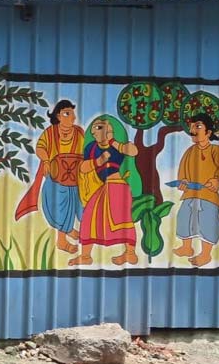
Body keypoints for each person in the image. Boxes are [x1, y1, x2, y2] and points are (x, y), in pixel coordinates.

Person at [15, 100, 84, 253]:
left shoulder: (79, 132)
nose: (72, 117)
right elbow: (40, 148)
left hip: (76, 178)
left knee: (77, 205)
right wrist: (46, 160)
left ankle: (72, 231)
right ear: (58, 116)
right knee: (60, 208)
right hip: (56, 178)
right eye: (67, 113)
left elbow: (87, 150)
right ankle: (62, 241)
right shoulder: (50, 132)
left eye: (72, 113)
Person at [70, 116, 140, 266]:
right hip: (101, 187)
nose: (94, 131)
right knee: (89, 217)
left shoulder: (116, 145)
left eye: (99, 127)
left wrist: (113, 141)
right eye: (94, 128)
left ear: (109, 130)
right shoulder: (91, 148)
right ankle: (86, 256)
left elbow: (133, 151)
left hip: (117, 186)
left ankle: (130, 253)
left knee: (123, 220)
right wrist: (97, 161)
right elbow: (82, 168)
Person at [173, 113, 219, 267]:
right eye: (191, 126)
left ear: (208, 132)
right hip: (190, 193)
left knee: (208, 221)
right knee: (184, 217)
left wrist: (216, 179)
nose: (193, 130)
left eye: (197, 126)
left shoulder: (215, 150)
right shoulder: (190, 151)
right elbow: (182, 170)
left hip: (208, 194)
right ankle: (187, 247)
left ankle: (206, 254)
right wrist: (183, 181)